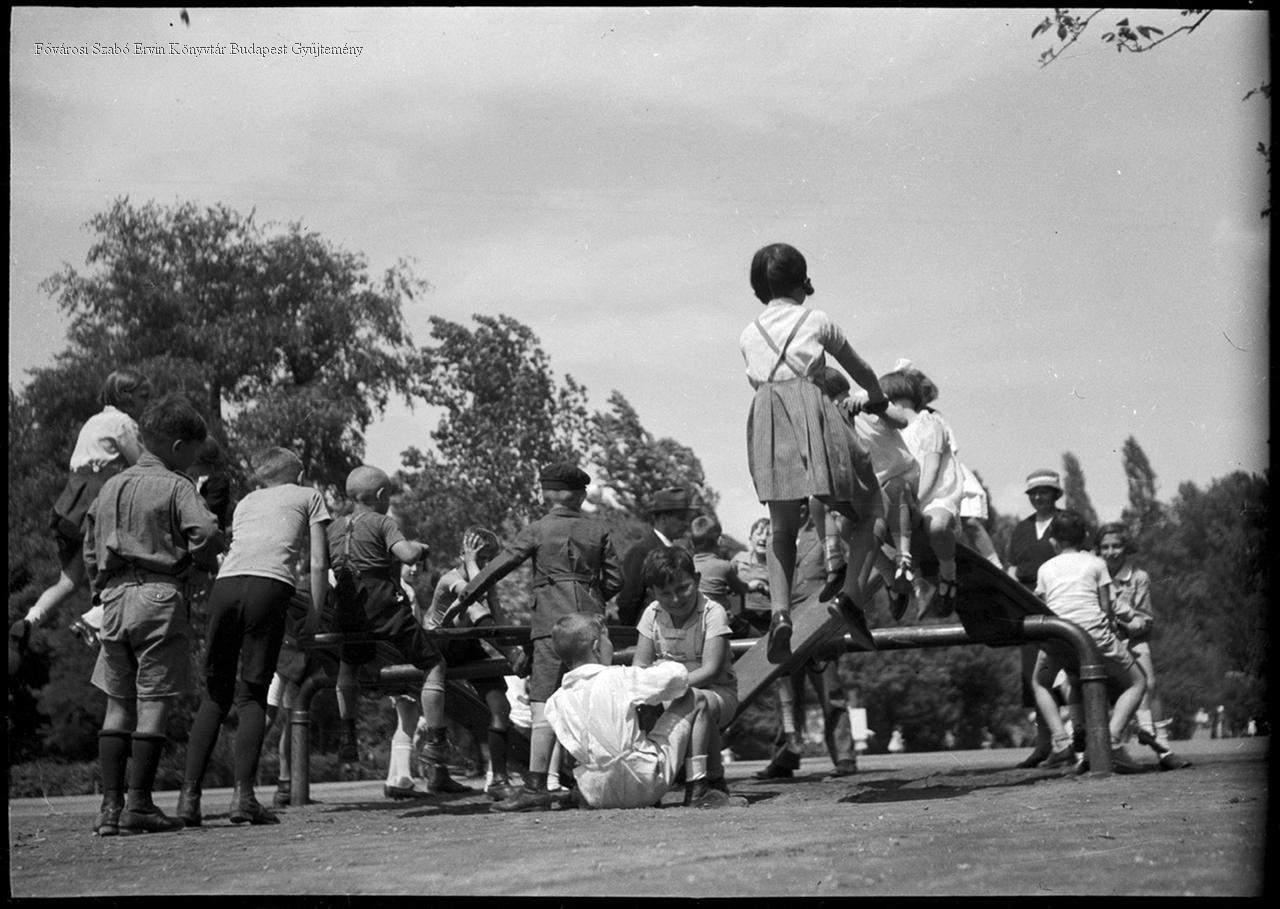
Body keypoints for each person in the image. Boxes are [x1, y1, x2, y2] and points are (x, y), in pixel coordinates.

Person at [82, 394, 224, 836]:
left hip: (114, 599)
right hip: (159, 596)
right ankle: (140, 805)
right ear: (179, 447)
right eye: (193, 454)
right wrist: (199, 563)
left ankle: (110, 808)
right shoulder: (177, 485)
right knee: (153, 702)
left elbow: (89, 543)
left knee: (117, 702)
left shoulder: (111, 486)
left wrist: (99, 590)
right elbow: (206, 532)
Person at [740, 242, 887, 664]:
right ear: (801, 280)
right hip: (813, 417)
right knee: (873, 508)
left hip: (768, 421)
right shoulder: (816, 320)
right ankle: (852, 596)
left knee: (781, 527)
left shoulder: (748, 334)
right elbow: (858, 368)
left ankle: (780, 613)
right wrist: (875, 395)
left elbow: (759, 381)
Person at [450, 462, 623, 812]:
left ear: (546, 495)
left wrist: (465, 597)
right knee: (595, 700)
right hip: (591, 626)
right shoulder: (598, 530)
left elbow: (499, 566)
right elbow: (616, 580)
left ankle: (535, 786)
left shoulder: (537, 530)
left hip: (550, 628)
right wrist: (590, 597)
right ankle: (601, 781)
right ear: (580, 496)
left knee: (542, 702)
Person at [178, 447, 331, 827]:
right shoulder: (309, 495)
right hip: (269, 587)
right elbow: (318, 562)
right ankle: (243, 798)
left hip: (226, 587)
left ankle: (188, 799)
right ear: (298, 475)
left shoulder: (246, 502)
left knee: (215, 694)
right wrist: (314, 615)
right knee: (252, 694)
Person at [10, 368, 152, 665]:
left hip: (69, 503)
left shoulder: (93, 421)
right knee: (129, 564)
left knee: (68, 581)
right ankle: (94, 618)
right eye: (143, 396)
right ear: (126, 397)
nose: (147, 403)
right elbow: (143, 465)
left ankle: (30, 620)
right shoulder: (123, 422)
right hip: (97, 499)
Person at [327, 465, 453, 793]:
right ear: (382, 495)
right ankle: (436, 741)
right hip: (381, 604)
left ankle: (347, 734)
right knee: (434, 665)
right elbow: (407, 555)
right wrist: (420, 548)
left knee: (348, 667)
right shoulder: (382, 521)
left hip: (347, 607)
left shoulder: (334, 527)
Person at [544, 612, 730, 809]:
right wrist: (662, 665)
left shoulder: (555, 702)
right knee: (695, 698)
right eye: (608, 639)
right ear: (597, 647)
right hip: (643, 781)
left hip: (596, 793)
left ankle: (586, 796)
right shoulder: (619, 677)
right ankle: (698, 786)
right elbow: (676, 678)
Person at [1029, 510, 1146, 773]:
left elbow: (1043, 605)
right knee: (1138, 683)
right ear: (1084, 537)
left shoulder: (1045, 568)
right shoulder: (1096, 564)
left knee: (1040, 683)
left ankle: (1061, 742)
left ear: (1053, 541)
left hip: (1059, 636)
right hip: (1093, 636)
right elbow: (1106, 608)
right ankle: (1111, 740)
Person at [752, 504, 860, 780]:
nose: (799, 507)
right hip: (788, 627)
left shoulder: (825, 534)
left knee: (831, 693)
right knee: (787, 698)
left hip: (821, 624)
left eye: (803, 502)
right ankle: (784, 758)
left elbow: (842, 574)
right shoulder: (776, 537)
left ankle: (844, 757)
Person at [421, 526, 525, 801]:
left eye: (490, 559)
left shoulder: (487, 583)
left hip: (467, 644)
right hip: (440, 644)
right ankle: (436, 748)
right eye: (481, 558)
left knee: (501, 706)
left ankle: (498, 779)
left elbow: (497, 619)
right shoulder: (451, 579)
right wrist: (470, 561)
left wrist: (513, 647)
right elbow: (471, 597)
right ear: (464, 555)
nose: (486, 564)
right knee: (474, 607)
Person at [632, 545, 738, 797]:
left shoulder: (713, 613)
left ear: (697, 580)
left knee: (696, 699)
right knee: (637, 704)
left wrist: (667, 690)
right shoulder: (652, 614)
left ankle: (699, 782)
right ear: (653, 592)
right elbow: (640, 666)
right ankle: (647, 777)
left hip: (716, 692)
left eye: (683, 588)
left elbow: (711, 670)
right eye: (665, 593)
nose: (676, 599)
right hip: (667, 693)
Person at [816, 366, 918, 622]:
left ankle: (903, 561)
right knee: (845, 525)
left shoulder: (864, 401)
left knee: (892, 490)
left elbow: (901, 420)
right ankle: (886, 577)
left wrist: (874, 405)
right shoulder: (831, 427)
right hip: (876, 492)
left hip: (903, 479)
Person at [1096, 522, 1191, 771]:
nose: (1111, 552)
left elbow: (1145, 619)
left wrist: (1127, 626)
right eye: (1105, 547)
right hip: (1103, 640)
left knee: (1149, 681)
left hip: (1131, 637)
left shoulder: (1138, 577)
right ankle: (1097, 750)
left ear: (1126, 547)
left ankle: (1162, 747)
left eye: (1116, 546)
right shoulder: (1094, 574)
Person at [878, 369, 962, 619]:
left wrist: (917, 501)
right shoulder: (892, 432)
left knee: (935, 526)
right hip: (906, 499)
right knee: (864, 528)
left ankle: (948, 575)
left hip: (934, 495)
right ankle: (896, 580)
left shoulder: (930, 424)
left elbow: (932, 469)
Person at [1007, 468, 1066, 768]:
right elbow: (1013, 568)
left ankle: (1071, 742)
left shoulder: (1067, 522)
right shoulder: (1021, 528)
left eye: (1044, 492)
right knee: (1036, 676)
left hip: (1061, 602)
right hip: (1027, 605)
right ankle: (1044, 745)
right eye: (1034, 493)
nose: (1039, 498)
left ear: (1055, 494)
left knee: (1066, 676)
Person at [616, 486, 697, 627]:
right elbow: (628, 600)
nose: (686, 524)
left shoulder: (676, 552)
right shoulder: (641, 551)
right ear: (664, 518)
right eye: (681, 518)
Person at [688, 515, 767, 607]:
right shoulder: (724, 566)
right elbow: (741, 589)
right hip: (716, 612)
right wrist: (754, 585)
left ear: (691, 544)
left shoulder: (689, 566)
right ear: (720, 541)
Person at [729, 517, 773, 637]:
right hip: (743, 617)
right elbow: (726, 582)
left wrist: (765, 589)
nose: (763, 538)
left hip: (770, 618)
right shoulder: (739, 559)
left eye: (768, 534)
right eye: (759, 534)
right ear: (750, 539)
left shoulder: (778, 564)